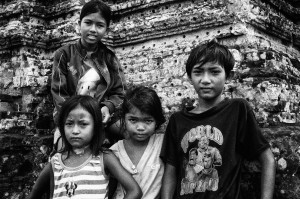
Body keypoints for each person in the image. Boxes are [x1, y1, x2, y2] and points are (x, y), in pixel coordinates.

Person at [160, 39, 276, 199]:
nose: (205, 79)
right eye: (198, 72)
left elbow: (267, 159)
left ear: (228, 75)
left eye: (214, 72)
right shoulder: (177, 120)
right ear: (189, 77)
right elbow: (171, 169)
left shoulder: (237, 110)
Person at [27, 95, 142, 199]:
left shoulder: (104, 158)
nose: (75, 131)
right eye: (69, 124)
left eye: (83, 124)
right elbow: (34, 193)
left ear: (96, 127)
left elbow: (134, 191)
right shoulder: (56, 162)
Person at [51, 0, 126, 149]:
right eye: (88, 23)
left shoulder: (110, 58)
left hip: (102, 117)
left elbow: (120, 92)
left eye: (100, 25)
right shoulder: (64, 54)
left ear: (107, 30)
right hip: (70, 117)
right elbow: (59, 93)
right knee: (62, 151)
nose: (93, 29)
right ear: (79, 24)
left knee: (132, 132)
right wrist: (76, 116)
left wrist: (108, 107)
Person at [110, 86, 166, 199]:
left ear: (157, 121)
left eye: (148, 121)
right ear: (123, 119)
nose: (140, 127)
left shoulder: (163, 143)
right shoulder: (114, 152)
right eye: (133, 120)